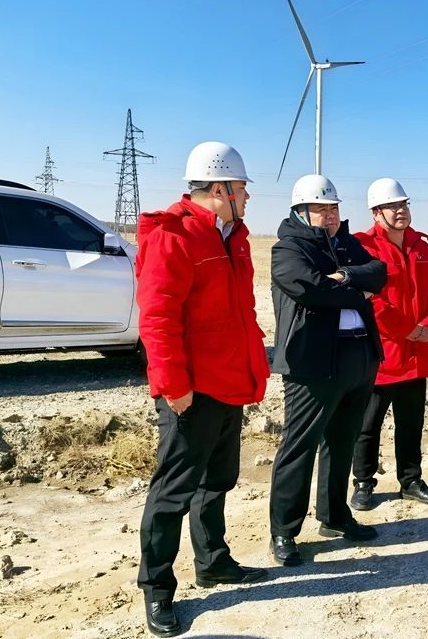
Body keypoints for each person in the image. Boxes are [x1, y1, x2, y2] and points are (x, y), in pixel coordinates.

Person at [135, 141, 270, 638]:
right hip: (191, 391)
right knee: (173, 492)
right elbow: (157, 317)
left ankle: (212, 561)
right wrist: (173, 385)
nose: (248, 197)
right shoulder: (174, 236)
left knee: (218, 480)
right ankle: (157, 588)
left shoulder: (233, 237)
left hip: (228, 383)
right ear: (219, 189)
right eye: (242, 189)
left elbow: (239, 314)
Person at [268, 174, 387, 567]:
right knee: (299, 447)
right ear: (301, 211)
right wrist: (356, 291)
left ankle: (335, 515)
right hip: (314, 363)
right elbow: (311, 289)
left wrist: (347, 276)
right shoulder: (288, 249)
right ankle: (284, 531)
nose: (331, 216)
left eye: (334, 208)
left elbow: (379, 272)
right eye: (322, 209)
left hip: (358, 357)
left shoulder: (346, 244)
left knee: (342, 441)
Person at [349, 178, 428, 509]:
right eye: (392, 206)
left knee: (411, 423)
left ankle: (411, 480)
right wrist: (406, 328)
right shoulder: (363, 248)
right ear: (376, 212)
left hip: (416, 351)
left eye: (403, 204)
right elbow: (369, 299)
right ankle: (363, 482)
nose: (400, 211)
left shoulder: (422, 248)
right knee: (367, 426)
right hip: (381, 353)